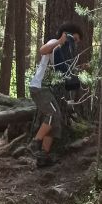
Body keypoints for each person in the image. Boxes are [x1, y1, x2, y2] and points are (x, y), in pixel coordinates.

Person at [29, 23, 84, 167]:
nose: (75, 43)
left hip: (49, 90)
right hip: (39, 87)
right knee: (52, 114)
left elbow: (64, 71)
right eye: (75, 39)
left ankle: (43, 156)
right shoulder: (55, 43)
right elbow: (42, 50)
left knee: (56, 120)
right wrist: (60, 41)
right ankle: (34, 143)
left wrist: (80, 69)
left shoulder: (64, 52)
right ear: (68, 34)